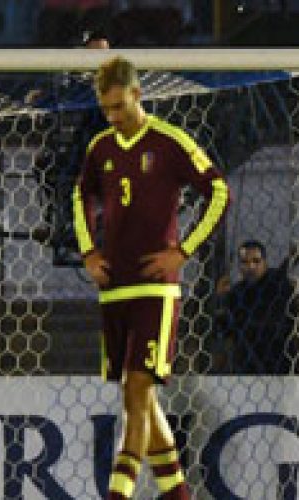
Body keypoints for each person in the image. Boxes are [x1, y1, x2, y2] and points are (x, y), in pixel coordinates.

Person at [73, 56, 230, 500]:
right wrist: (89, 252)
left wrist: (182, 251)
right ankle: (179, 496)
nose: (113, 117)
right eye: (106, 109)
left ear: (139, 95)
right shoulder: (100, 148)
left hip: (155, 291)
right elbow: (80, 193)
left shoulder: (169, 142)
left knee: (137, 389)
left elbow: (219, 190)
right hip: (114, 288)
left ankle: (117, 494)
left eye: (119, 106)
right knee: (139, 395)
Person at [214, 240, 296, 374]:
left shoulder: (277, 281)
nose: (251, 267)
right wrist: (220, 299)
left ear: (265, 263)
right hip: (247, 364)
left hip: (279, 360)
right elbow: (225, 329)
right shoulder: (236, 292)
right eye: (245, 262)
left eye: (256, 261)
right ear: (239, 266)